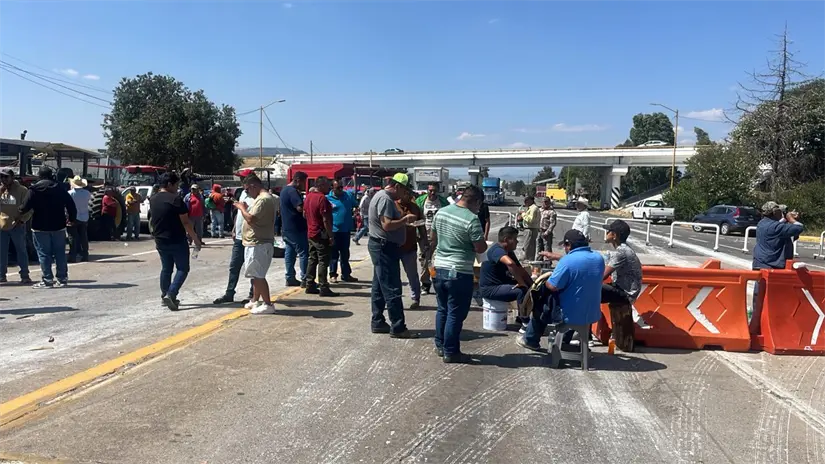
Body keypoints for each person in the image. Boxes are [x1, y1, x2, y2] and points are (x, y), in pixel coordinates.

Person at [517, 229, 605, 351]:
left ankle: (531, 340)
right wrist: (557, 257)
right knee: (573, 300)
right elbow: (579, 263)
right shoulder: (598, 258)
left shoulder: (567, 261)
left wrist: (546, 279)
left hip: (568, 315)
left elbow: (552, 286)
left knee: (542, 302)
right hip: (591, 313)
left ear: (569, 245)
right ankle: (564, 340)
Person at [430, 184, 487, 363]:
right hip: (459, 271)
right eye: (479, 205)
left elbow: (433, 238)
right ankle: (451, 351)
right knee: (455, 313)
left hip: (439, 268)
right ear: (476, 201)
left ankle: (440, 345)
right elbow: (480, 247)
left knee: (442, 309)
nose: (479, 209)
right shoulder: (472, 219)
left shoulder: (441, 212)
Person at [368, 173, 418, 338]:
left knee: (379, 286)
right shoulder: (386, 199)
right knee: (392, 288)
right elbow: (387, 225)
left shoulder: (381, 196)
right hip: (384, 248)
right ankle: (398, 327)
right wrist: (405, 220)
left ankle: (378, 321)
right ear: (397, 186)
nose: (404, 195)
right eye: (404, 191)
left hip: (382, 246)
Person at [149, 172, 202, 311]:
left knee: (166, 268)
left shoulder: (153, 199)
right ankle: (171, 294)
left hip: (160, 239)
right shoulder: (175, 199)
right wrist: (196, 239)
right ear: (169, 184)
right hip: (176, 238)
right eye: (176, 185)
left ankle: (164, 295)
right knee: (183, 268)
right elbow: (186, 222)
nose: (177, 188)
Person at [19, 167, 77, 288]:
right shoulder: (60, 188)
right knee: (60, 253)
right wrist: (71, 219)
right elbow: (71, 205)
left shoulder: (34, 189)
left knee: (44, 254)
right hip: (59, 225)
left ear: (39, 176)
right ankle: (62, 279)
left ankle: (47, 280)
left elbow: (24, 208)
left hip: (40, 226)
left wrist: (19, 212)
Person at [235, 175, 278, 314]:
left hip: (258, 242)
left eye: (247, 190)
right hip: (258, 241)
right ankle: (255, 300)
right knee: (255, 274)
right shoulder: (264, 199)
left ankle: (268, 304)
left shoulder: (263, 199)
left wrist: (242, 208)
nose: (247, 193)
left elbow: (251, 219)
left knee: (258, 274)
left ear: (253, 186)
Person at [600, 220, 643, 351]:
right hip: (623, 289)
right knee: (592, 292)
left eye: (609, 231)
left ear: (614, 235)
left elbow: (603, 276)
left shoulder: (621, 252)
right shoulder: (623, 249)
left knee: (589, 291)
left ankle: (585, 334)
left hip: (625, 293)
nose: (606, 233)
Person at [213, 178, 255, 305]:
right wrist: (234, 228)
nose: (243, 186)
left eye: (245, 183)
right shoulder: (242, 193)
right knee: (234, 266)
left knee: (251, 267)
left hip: (251, 237)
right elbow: (239, 213)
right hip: (239, 237)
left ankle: (253, 294)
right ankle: (229, 293)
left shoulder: (257, 197)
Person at [479, 225, 534, 322]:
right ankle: (524, 322)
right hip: (490, 288)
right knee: (521, 291)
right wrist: (521, 282)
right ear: (506, 240)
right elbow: (510, 263)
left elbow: (521, 270)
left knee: (529, 287)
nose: (517, 241)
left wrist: (533, 285)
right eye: (515, 239)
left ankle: (531, 317)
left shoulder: (509, 252)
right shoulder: (496, 250)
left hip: (500, 284)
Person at [395, 183, 427, 310]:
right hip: (395, 246)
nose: (408, 196)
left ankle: (415, 298)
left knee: (412, 274)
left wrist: (425, 241)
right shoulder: (393, 205)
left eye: (410, 194)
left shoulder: (415, 207)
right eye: (406, 194)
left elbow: (421, 225)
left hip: (410, 246)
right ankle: (394, 298)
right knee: (394, 275)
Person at [304, 176, 337, 297]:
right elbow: (325, 219)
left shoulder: (309, 197)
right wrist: (330, 235)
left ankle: (309, 284)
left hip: (311, 232)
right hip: (320, 233)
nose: (330, 188)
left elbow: (304, 214)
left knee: (312, 259)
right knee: (323, 260)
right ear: (321, 185)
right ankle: (323, 286)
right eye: (328, 185)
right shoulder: (322, 198)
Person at [0, 167, 33, 284]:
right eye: (1, 177)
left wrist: (23, 220)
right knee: (2, 252)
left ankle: (25, 275)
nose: (3, 179)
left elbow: (29, 208)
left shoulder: (22, 190)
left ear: (12, 177)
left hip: (17, 225)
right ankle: (1, 275)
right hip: (2, 226)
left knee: (21, 250)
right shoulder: (1, 190)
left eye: (6, 177)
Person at [415, 183, 449, 294]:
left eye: (434, 190)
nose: (432, 193)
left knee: (437, 261)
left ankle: (438, 283)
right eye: (430, 190)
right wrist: (418, 233)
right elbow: (417, 218)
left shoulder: (443, 202)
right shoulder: (420, 201)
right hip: (424, 236)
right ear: (427, 190)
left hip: (440, 237)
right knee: (425, 260)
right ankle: (425, 283)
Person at [280, 171, 309, 287]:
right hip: (296, 227)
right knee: (304, 253)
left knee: (290, 252)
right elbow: (300, 208)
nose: (304, 185)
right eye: (303, 182)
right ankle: (306, 278)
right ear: (297, 180)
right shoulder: (292, 192)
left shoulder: (284, 190)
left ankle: (290, 277)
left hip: (286, 227)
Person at [327, 179, 358, 284]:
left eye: (341, 187)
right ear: (332, 188)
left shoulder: (348, 195)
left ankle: (346, 274)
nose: (341, 190)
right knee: (334, 254)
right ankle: (333, 274)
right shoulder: (327, 198)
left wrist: (355, 210)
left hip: (345, 230)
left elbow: (355, 205)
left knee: (345, 254)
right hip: (334, 230)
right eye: (338, 188)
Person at [67, 176, 91, 263]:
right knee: (83, 237)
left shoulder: (70, 193)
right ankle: (85, 255)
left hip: (73, 217)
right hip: (84, 217)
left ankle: (72, 256)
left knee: (72, 237)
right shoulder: (87, 193)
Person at [519, 196, 540, 264]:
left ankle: (527, 261)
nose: (525, 203)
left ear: (531, 200)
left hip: (531, 229)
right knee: (528, 246)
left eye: (526, 201)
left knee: (528, 247)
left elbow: (530, 220)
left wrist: (523, 214)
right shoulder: (531, 208)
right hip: (529, 229)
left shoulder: (533, 208)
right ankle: (528, 260)